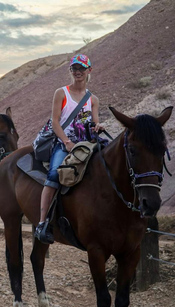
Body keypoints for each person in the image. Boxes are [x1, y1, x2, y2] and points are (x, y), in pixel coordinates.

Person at [34, 54, 103, 243]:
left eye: (81, 68)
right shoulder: (62, 93)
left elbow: (94, 122)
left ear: (89, 70)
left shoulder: (93, 99)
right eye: (74, 68)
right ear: (70, 71)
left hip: (86, 145)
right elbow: (55, 122)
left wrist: (98, 127)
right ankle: (42, 224)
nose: (78, 72)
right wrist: (66, 142)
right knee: (54, 175)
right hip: (64, 143)